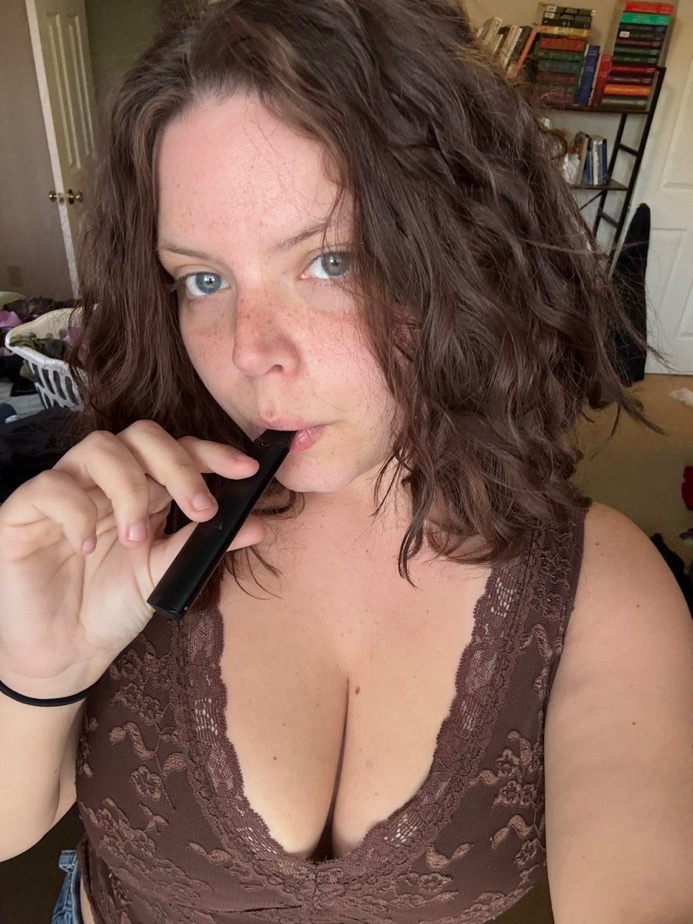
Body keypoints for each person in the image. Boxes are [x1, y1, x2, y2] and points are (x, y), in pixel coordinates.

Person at [0, 1, 691, 922]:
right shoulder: (127, 520)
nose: (248, 350)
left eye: (332, 262)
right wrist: (39, 672)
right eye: (203, 279)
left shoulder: (599, 586)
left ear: (467, 254)